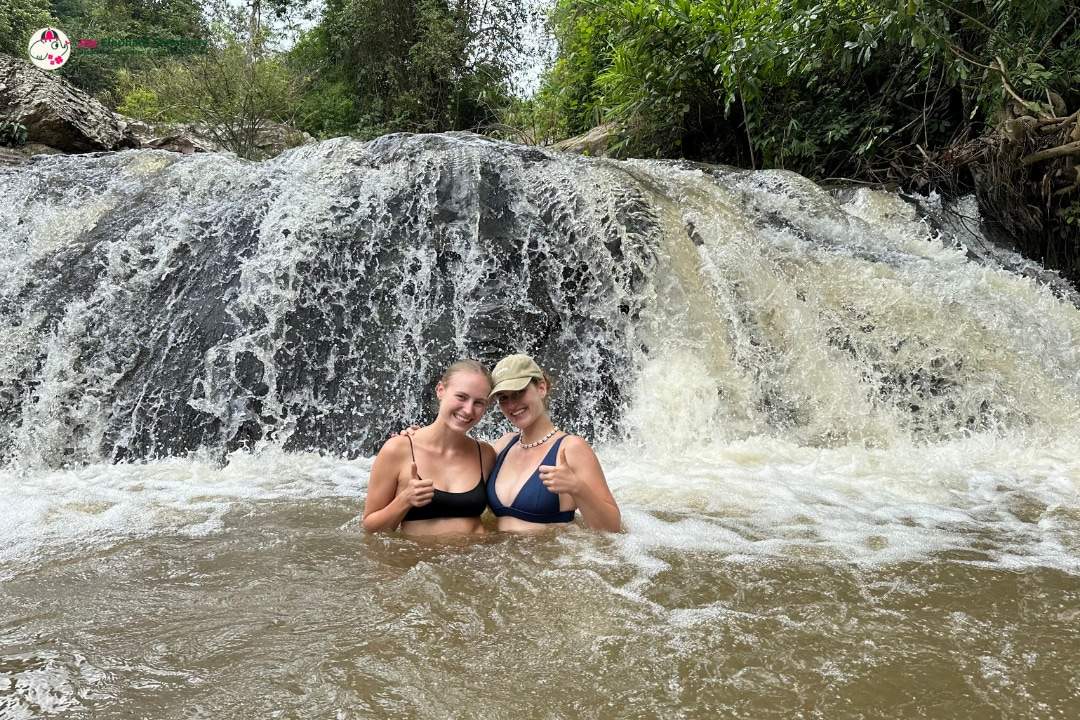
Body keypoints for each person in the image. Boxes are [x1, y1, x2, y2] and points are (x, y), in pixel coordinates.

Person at [486, 354, 621, 533]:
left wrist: (578, 488)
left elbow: (613, 529)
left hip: (547, 558)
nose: (512, 405)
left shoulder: (570, 448)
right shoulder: (503, 445)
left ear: (541, 388)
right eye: (503, 398)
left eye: (519, 392)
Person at [362, 360, 496, 536]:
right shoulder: (398, 449)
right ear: (440, 390)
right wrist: (404, 500)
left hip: (476, 560)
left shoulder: (485, 454)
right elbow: (370, 529)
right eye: (461, 397)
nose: (468, 410)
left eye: (479, 402)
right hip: (419, 561)